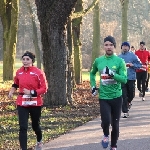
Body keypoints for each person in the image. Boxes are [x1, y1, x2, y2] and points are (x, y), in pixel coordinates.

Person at [90, 36, 127, 150]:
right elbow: (92, 73)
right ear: (104, 47)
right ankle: (105, 135)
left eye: (111, 45)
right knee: (106, 122)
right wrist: (93, 86)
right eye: (106, 45)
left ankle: (114, 146)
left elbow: (124, 79)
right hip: (104, 97)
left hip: (116, 97)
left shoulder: (120, 61)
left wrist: (112, 75)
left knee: (115, 125)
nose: (108, 47)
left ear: (114, 46)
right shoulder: (98, 61)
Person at [8, 51, 48, 150]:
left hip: (35, 103)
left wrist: (31, 92)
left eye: (27, 59)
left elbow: (44, 88)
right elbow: (16, 84)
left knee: (35, 125)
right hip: (22, 102)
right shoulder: (19, 72)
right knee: (23, 127)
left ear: (32, 61)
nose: (25, 61)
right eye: (23, 59)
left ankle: (39, 140)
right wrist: (11, 91)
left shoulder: (38, 72)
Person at [118, 42, 142, 118]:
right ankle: (125, 112)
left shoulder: (133, 56)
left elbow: (139, 65)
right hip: (122, 79)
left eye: (126, 46)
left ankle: (129, 102)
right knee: (123, 95)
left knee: (131, 94)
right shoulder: (119, 57)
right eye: (123, 46)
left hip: (131, 78)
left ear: (128, 47)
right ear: (121, 47)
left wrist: (133, 65)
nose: (125, 48)